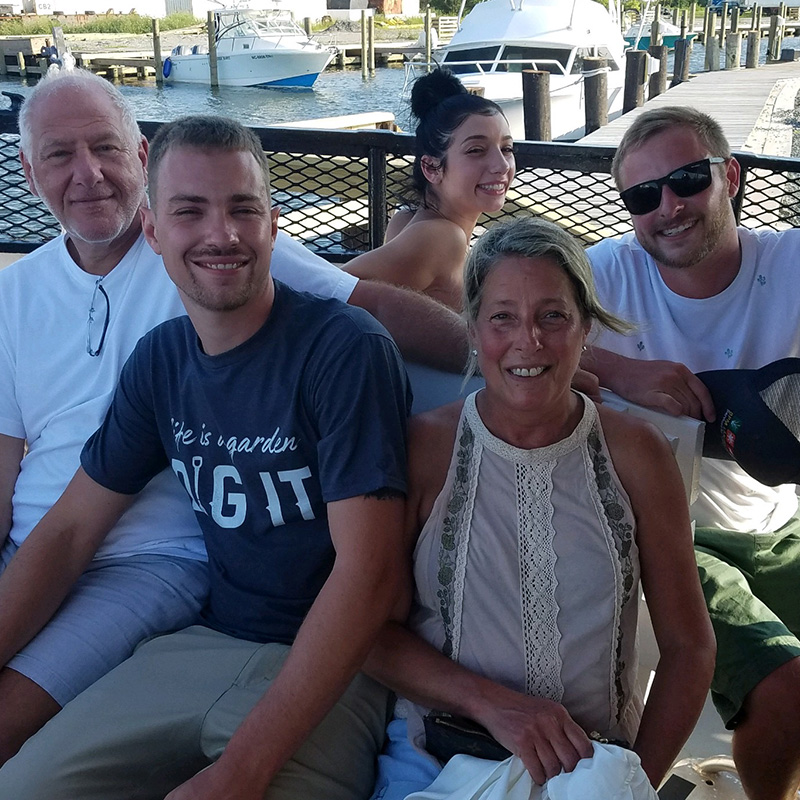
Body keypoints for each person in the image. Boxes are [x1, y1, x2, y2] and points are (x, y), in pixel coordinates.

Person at [0, 66, 466, 764]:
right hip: (44, 550)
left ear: (140, 156)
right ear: (29, 171)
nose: (88, 174)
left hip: (149, 560)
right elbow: (16, 480)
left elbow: (372, 306)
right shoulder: (23, 294)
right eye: (60, 155)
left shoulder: (220, 255)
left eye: (104, 147)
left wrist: (547, 362)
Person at [364, 217, 715, 800]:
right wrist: (496, 706)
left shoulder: (636, 454)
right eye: (503, 316)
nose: (529, 340)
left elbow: (689, 646)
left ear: (586, 332)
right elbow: (371, 633)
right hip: (437, 760)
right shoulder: (423, 451)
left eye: (553, 315)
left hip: (592, 765)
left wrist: (634, 783)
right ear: (473, 328)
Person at [584, 105, 800, 800]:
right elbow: (487, 334)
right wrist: (619, 370)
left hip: (780, 522)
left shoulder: (792, 264)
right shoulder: (604, 277)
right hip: (672, 533)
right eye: (643, 196)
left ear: (730, 176)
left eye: (686, 182)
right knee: (786, 691)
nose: (668, 207)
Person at [345, 68, 515, 311]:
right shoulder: (443, 238)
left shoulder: (406, 219)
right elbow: (332, 288)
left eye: (507, 149)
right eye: (476, 150)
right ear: (432, 167)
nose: (501, 165)